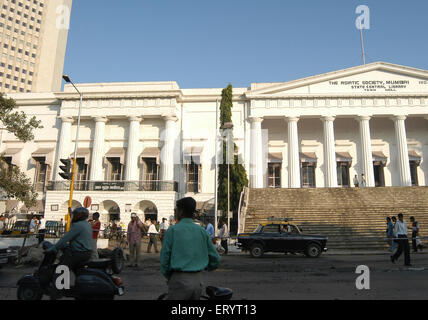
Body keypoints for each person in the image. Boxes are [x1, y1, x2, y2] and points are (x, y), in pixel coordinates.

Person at [160, 197, 220, 300]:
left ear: (181, 212)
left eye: (177, 210)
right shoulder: (202, 231)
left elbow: (164, 259)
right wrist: (205, 266)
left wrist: (170, 277)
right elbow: (215, 259)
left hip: (179, 280)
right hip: (198, 281)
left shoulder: (172, 230)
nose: (176, 212)